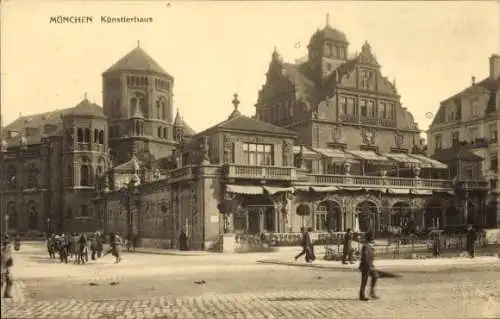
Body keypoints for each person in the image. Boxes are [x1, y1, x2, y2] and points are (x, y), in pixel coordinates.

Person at [359, 231, 379, 301]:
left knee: (375, 276)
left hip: (370, 265)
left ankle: (372, 293)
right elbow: (365, 257)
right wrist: (369, 266)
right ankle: (362, 295)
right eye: (371, 238)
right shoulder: (365, 246)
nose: (372, 239)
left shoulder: (369, 245)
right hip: (366, 266)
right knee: (364, 281)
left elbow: (370, 256)